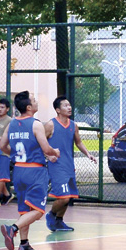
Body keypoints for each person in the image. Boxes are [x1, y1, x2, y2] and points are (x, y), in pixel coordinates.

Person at [0, 91, 60, 250]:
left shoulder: (11, 124)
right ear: (28, 107)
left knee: (24, 209)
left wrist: (16, 154)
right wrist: (55, 152)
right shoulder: (36, 124)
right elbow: (46, 148)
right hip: (35, 171)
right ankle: (13, 228)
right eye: (34, 100)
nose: (36, 102)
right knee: (38, 210)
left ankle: (24, 244)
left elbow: (2, 146)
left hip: (18, 170)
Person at [44, 96, 97, 232]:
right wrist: (48, 156)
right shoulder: (50, 125)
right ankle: (51, 215)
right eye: (65, 105)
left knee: (70, 195)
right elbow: (39, 142)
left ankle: (59, 221)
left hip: (69, 165)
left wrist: (88, 154)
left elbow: (78, 142)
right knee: (64, 197)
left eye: (69, 105)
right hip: (56, 166)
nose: (69, 107)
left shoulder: (73, 125)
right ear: (58, 110)